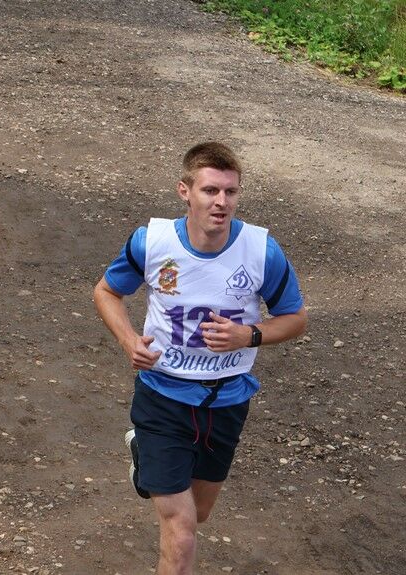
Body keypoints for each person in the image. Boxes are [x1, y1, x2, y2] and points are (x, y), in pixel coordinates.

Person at [93, 142, 307, 574]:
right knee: (182, 529)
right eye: (210, 190)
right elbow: (106, 291)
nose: (221, 202)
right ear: (184, 191)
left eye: (230, 192)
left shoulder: (261, 251)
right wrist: (128, 340)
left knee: (200, 512)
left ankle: (143, 459)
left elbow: (295, 319)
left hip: (226, 400)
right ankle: (152, 453)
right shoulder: (151, 242)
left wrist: (249, 335)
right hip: (162, 395)